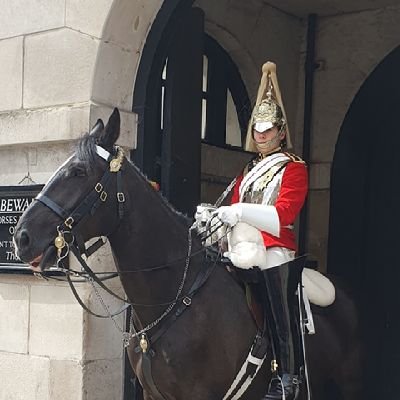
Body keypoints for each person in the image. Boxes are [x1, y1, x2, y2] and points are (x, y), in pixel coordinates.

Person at [216, 62, 308, 400]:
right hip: (242, 242)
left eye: (268, 129)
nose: (261, 134)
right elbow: (233, 207)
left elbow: (284, 215)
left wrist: (240, 211)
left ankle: (287, 376)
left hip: (274, 245)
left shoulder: (294, 168)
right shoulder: (248, 170)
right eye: (257, 128)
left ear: (281, 131)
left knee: (276, 283)